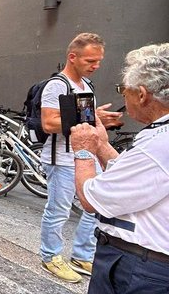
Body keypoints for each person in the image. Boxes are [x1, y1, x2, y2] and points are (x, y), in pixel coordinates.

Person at [70, 44, 169, 294]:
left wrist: (83, 151)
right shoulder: (160, 136)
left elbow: (91, 198)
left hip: (139, 268)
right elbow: (132, 178)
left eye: (123, 89)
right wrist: (101, 145)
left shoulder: (158, 144)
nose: (122, 95)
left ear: (143, 94)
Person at [38, 33, 122, 283]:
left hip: (87, 155)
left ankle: (82, 255)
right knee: (58, 211)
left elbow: (84, 117)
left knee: (94, 207)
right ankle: (50, 256)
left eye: (98, 61)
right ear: (72, 57)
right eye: (90, 60)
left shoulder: (87, 85)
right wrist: (90, 118)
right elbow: (48, 123)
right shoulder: (57, 85)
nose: (96, 66)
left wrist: (99, 119)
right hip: (62, 158)